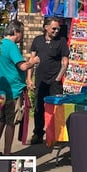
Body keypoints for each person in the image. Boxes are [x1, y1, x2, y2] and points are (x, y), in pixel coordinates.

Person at [0, 20, 40, 155]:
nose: (22, 36)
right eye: (22, 33)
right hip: (13, 90)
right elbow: (23, 66)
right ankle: (7, 153)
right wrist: (33, 62)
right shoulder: (11, 46)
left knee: (0, 120)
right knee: (10, 122)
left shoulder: (0, 44)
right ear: (15, 32)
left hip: (1, 89)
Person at [27, 16, 69, 144]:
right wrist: (29, 78)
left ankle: (56, 135)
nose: (56, 31)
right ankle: (38, 134)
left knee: (56, 109)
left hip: (54, 81)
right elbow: (31, 61)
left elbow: (65, 62)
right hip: (40, 80)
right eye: (54, 28)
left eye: (58, 29)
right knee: (39, 108)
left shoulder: (61, 41)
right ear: (46, 28)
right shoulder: (37, 40)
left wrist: (58, 78)